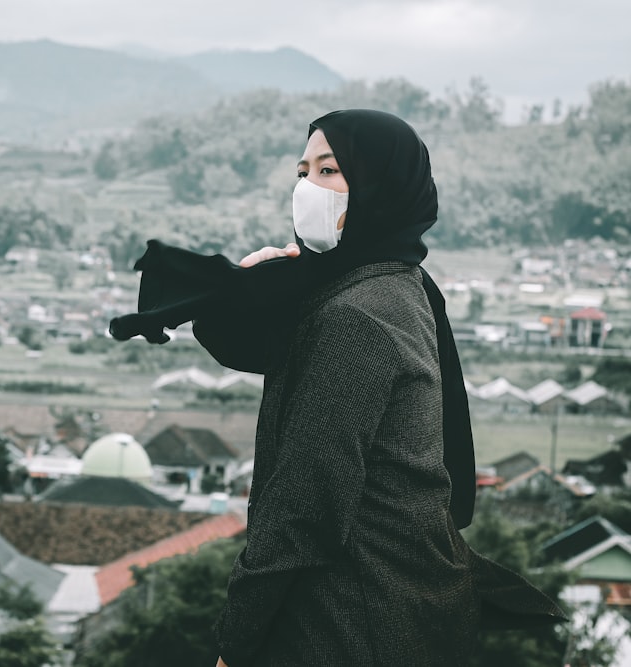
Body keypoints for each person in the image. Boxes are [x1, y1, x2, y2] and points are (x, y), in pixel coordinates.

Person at [109, 109, 565, 666]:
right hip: (404, 604)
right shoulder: (400, 285)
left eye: (330, 171)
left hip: (350, 620)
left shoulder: (357, 316)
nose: (307, 188)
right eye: (303, 172)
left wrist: (237, 642)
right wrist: (251, 291)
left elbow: (304, 505)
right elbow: (277, 352)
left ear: (382, 185)